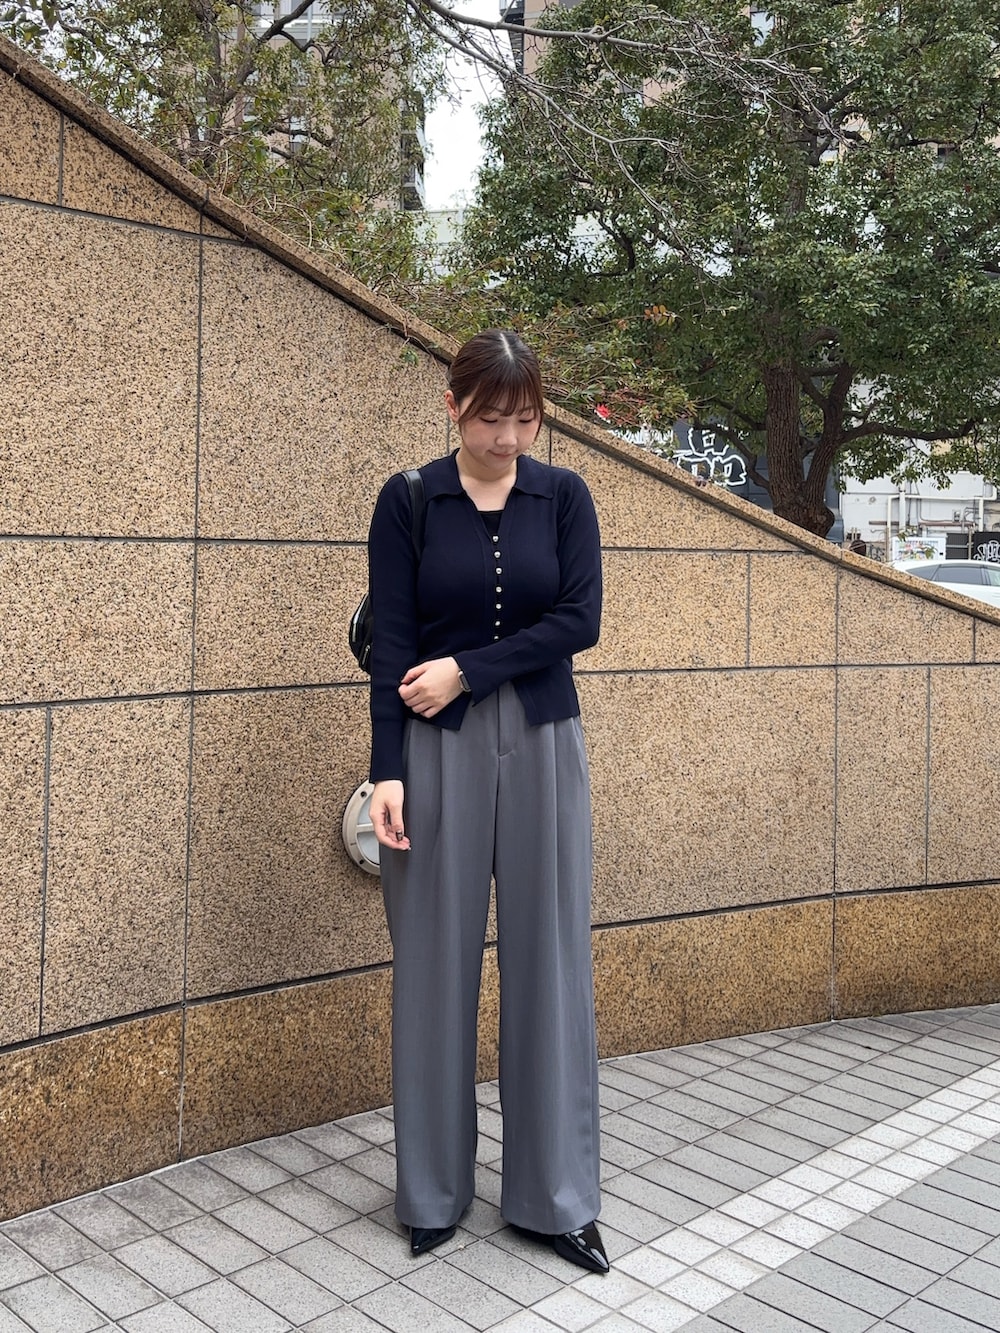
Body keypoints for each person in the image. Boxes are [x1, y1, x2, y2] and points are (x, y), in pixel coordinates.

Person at [366, 329, 608, 1275]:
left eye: (526, 418)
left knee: (552, 958)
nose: (508, 437)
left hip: (544, 739)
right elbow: (392, 643)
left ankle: (557, 1197)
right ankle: (432, 1191)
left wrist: (467, 668)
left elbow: (579, 619)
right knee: (432, 963)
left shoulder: (566, 497)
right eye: (491, 417)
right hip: (434, 749)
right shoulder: (408, 499)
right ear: (453, 405)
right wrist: (387, 769)